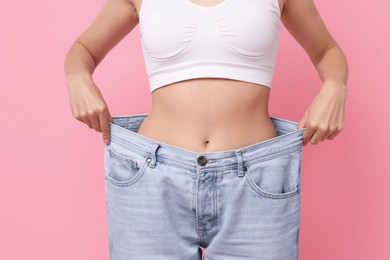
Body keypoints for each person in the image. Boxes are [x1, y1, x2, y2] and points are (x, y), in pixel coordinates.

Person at [64, 0, 348, 259]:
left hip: (256, 183)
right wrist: (77, 77)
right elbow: (84, 49)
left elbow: (327, 51)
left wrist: (335, 86)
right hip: (153, 182)